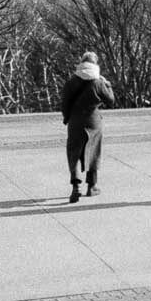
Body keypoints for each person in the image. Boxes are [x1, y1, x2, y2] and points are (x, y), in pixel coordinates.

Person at [60, 50, 116, 203]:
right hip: (94, 120)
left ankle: (76, 187)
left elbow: (64, 103)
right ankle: (92, 186)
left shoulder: (72, 81)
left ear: (82, 63)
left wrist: (67, 117)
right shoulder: (98, 82)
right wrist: (108, 85)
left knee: (74, 152)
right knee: (94, 151)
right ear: (95, 64)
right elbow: (111, 100)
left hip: (75, 121)